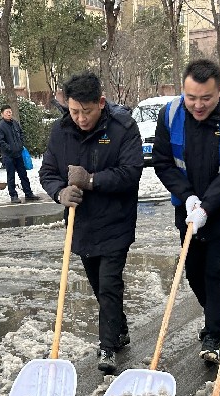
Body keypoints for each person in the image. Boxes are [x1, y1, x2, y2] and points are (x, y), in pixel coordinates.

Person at [39, 71, 143, 374]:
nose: (81, 118)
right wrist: (60, 192)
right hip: (81, 224)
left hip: (115, 221)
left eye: (87, 111)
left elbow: (131, 171)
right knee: (99, 285)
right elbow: (48, 172)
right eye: (74, 111)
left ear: (101, 102)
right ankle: (119, 328)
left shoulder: (123, 128)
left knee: (110, 284)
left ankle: (107, 347)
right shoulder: (61, 132)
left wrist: (93, 180)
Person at [152, 58, 220, 364]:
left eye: (205, 98)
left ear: (219, 90)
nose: (197, 105)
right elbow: (163, 162)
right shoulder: (170, 114)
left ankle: (213, 334)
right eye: (191, 97)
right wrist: (188, 197)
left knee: (215, 268)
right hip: (188, 207)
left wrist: (208, 206)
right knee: (193, 270)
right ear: (183, 90)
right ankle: (215, 314)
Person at [0, 104, 38, 204]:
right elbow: (0, 141)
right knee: (11, 176)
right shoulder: (0, 127)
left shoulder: (15, 123)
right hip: (8, 155)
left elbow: (21, 134)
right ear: (2, 114)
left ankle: (28, 193)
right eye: (7, 112)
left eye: (10, 112)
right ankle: (13, 195)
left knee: (23, 174)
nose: (9, 114)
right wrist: (10, 149)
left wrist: (20, 144)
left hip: (18, 154)